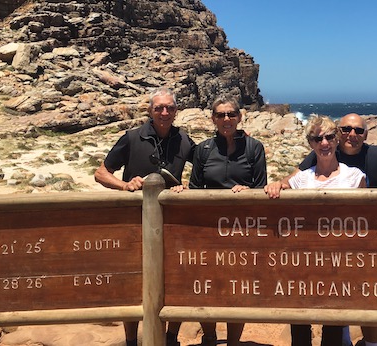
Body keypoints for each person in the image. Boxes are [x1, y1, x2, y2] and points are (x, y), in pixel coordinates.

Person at [265, 113, 377, 346]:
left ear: (364, 134)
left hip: (359, 244)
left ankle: (371, 343)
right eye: (346, 129)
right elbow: (292, 180)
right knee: (308, 309)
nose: (351, 134)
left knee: (368, 294)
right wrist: (279, 184)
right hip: (312, 253)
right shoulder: (318, 156)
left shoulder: (371, 161)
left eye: (358, 130)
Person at [94, 87, 195, 346]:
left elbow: (206, 164)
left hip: (172, 222)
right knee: (134, 281)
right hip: (134, 222)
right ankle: (130, 340)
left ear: (176, 111)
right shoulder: (132, 137)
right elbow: (101, 173)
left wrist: (239, 138)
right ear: (150, 111)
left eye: (169, 108)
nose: (164, 112)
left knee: (176, 277)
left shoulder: (184, 140)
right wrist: (124, 185)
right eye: (159, 108)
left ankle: (171, 337)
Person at [172, 95, 267, 345]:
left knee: (238, 287)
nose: (226, 119)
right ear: (213, 119)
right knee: (207, 285)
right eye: (221, 115)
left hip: (242, 231)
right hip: (209, 230)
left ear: (240, 117)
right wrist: (184, 192)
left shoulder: (254, 147)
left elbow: (262, 187)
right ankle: (210, 336)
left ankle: (234, 341)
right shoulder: (203, 149)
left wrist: (249, 192)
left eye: (231, 114)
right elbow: (195, 187)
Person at [265, 114, 365, 346]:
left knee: (333, 325)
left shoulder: (354, 177)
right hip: (303, 261)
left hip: (340, 262)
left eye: (330, 137)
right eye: (317, 138)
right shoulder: (302, 179)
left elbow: (363, 219)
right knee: (299, 322)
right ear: (310, 143)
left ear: (337, 139)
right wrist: (276, 185)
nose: (324, 143)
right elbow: (281, 186)